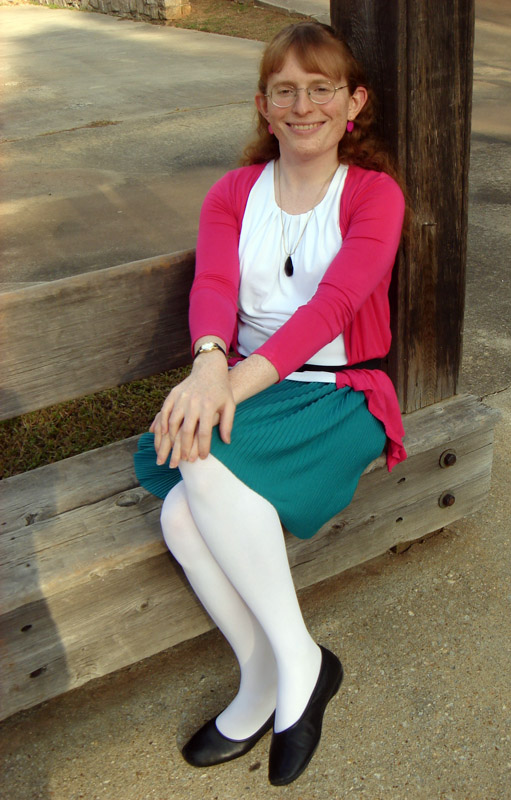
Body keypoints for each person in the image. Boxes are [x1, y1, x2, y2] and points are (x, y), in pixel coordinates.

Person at [134, 20, 406, 787]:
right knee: (179, 513)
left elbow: (334, 307)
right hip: (250, 385)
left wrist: (222, 387)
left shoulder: (374, 195)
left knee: (198, 455)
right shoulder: (233, 193)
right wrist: (207, 360)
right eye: (285, 91)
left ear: (353, 103)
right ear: (263, 105)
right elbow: (215, 286)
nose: (303, 106)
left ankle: (293, 667)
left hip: (341, 394)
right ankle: (280, 672)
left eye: (321, 89)